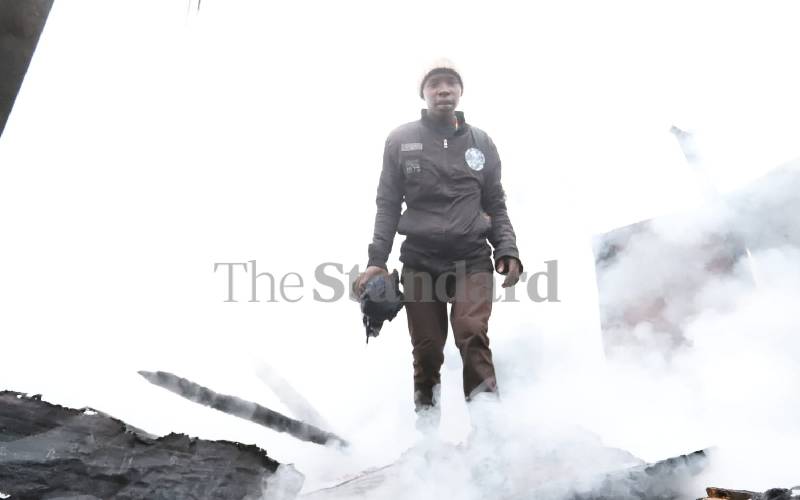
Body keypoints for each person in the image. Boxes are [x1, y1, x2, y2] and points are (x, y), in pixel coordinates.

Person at [354, 59, 523, 430]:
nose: (443, 90)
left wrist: (507, 250)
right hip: (420, 261)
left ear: (460, 91)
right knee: (427, 349)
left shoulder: (481, 143)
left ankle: (491, 434)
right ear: (423, 93)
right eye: (434, 84)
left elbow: (495, 203)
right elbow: (387, 203)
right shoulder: (400, 140)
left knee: (471, 333)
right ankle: (428, 438)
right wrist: (376, 260)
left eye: (450, 83)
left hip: (472, 260)